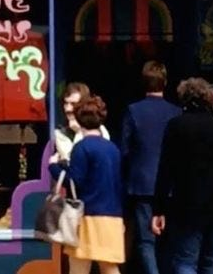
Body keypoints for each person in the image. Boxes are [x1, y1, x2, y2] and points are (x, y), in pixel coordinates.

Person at [152, 77, 213, 274]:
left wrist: (158, 209)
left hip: (187, 204)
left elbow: (165, 169)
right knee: (211, 263)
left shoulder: (176, 126)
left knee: (186, 261)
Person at [49, 95, 124, 274]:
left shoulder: (82, 147)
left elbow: (74, 181)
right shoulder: (113, 148)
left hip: (87, 215)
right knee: (109, 267)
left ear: (79, 119)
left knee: (78, 266)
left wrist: (53, 167)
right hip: (113, 216)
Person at [121, 61, 181, 274]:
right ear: (165, 82)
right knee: (169, 239)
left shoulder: (133, 110)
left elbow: (125, 149)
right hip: (172, 186)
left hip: (143, 183)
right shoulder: (176, 112)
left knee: (146, 241)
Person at [53, 82, 110, 162]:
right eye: (66, 103)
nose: (68, 109)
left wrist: (80, 132)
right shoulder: (60, 133)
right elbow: (71, 161)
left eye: (73, 104)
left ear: (84, 105)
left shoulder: (99, 130)